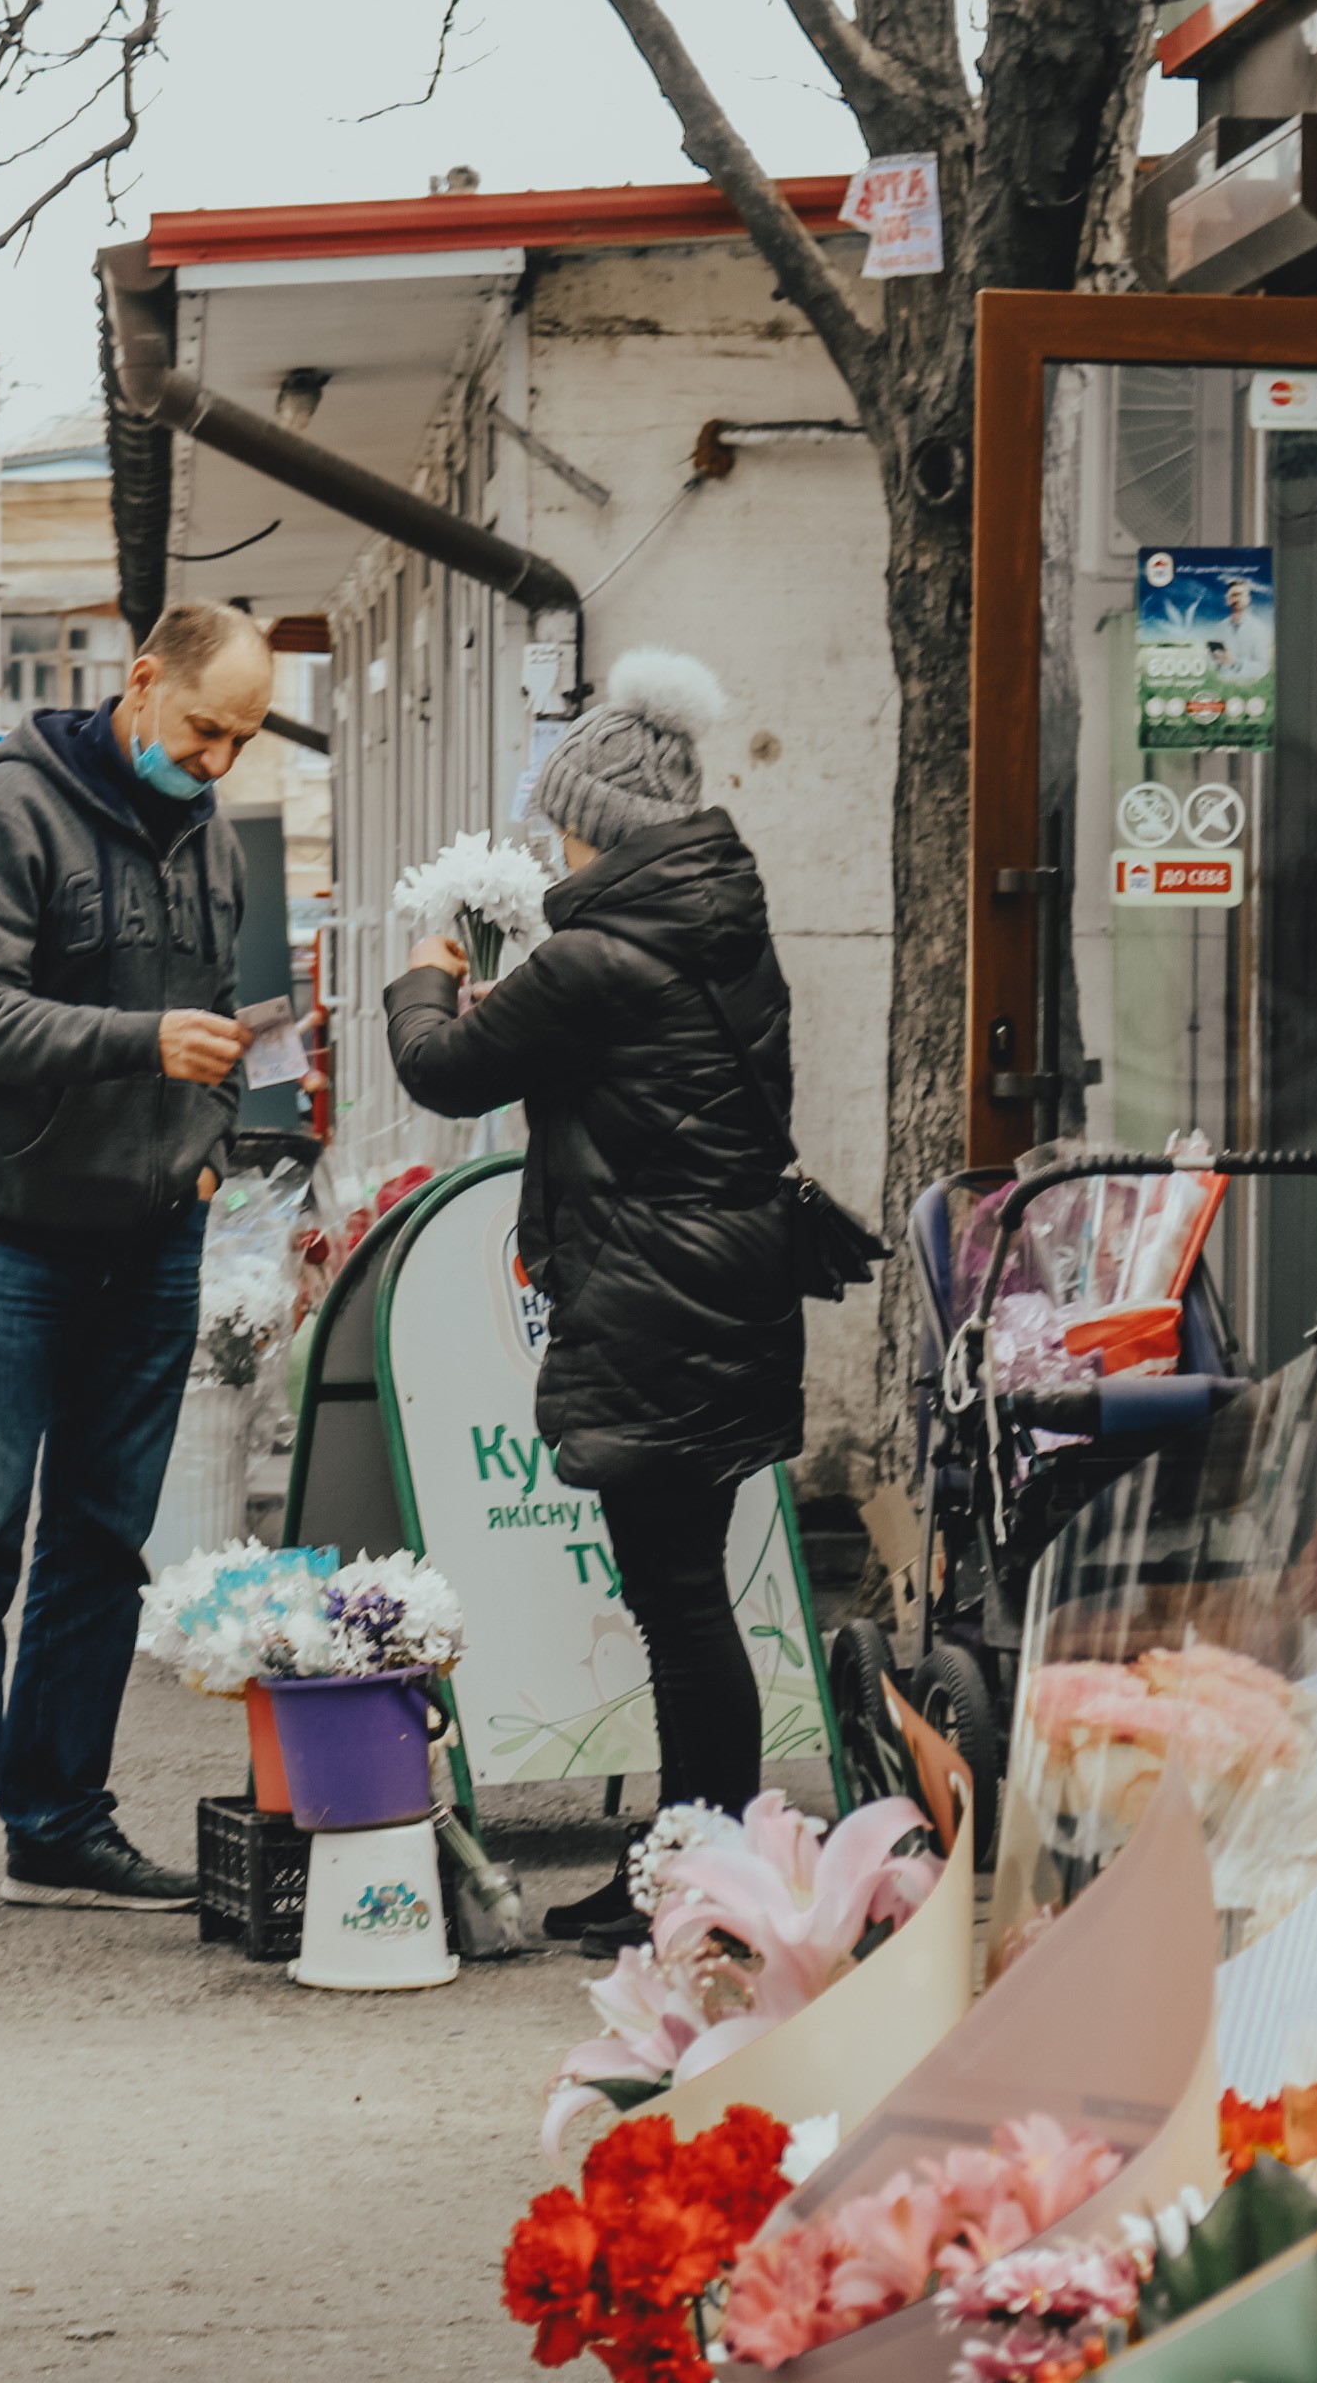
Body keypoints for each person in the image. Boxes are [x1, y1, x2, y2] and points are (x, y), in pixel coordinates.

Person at [380, 649, 806, 1954]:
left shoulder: (603, 954)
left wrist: (426, 972)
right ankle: (696, 1859)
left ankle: (702, 1878)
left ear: (604, 822)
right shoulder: (718, 927)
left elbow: (443, 1070)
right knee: (689, 1596)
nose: (553, 835)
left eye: (563, 812)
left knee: (677, 1601)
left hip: (652, 1298)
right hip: (724, 1286)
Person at [0, 600, 270, 1936]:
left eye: (243, 740)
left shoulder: (211, 837)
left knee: (102, 1543)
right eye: (205, 728)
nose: (216, 761)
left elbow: (220, 1015)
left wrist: (207, 1144)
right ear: (142, 682)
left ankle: (58, 1823)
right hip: (2, 1232)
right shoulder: (9, 814)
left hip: (151, 1231)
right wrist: (143, 1044)